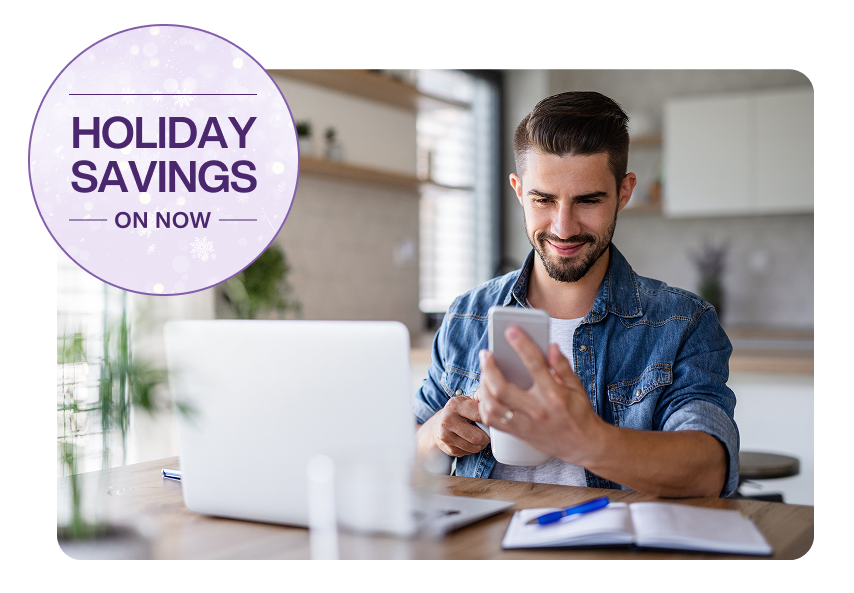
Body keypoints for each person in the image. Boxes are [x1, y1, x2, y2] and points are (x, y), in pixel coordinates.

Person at [413, 91, 739, 498]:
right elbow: (406, 449)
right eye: (543, 200)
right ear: (518, 191)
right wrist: (433, 435)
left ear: (623, 192)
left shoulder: (682, 323)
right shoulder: (468, 314)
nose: (563, 228)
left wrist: (585, 440)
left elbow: (708, 469)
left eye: (588, 200)